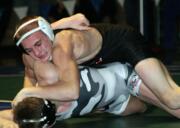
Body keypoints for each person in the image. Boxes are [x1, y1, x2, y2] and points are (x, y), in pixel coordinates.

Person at [12, 15, 180, 110]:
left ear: (48, 33)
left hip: (125, 44)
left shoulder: (61, 46)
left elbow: (72, 92)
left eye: (38, 45)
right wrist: (27, 94)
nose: (37, 54)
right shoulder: (38, 46)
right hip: (106, 61)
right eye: (29, 50)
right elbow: (29, 72)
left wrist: (28, 93)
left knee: (171, 99)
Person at [1, 61, 180, 128]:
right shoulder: (37, 111)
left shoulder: (50, 77)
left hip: (126, 76)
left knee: (173, 105)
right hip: (114, 104)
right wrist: (10, 122)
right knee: (143, 108)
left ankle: (154, 81)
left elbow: (32, 62)